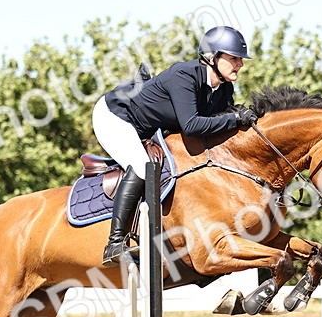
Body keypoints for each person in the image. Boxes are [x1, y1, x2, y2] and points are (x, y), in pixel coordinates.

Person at [92, 25, 259, 265]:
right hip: (115, 116)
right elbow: (191, 126)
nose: (240, 65)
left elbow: (217, 127)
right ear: (212, 58)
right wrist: (234, 118)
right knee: (143, 166)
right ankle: (115, 243)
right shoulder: (185, 75)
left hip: (147, 126)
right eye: (234, 58)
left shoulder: (224, 88)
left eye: (240, 59)